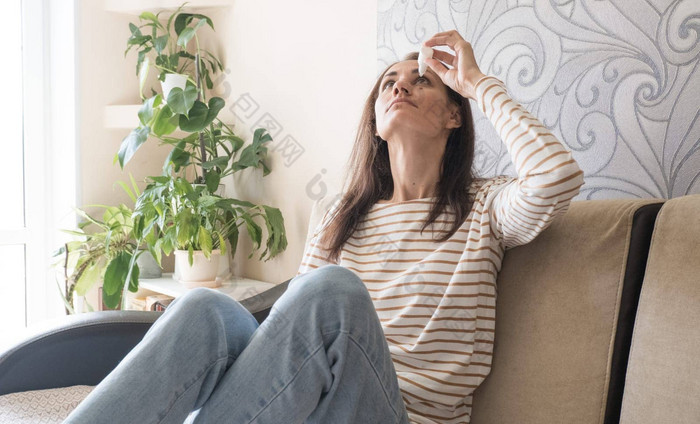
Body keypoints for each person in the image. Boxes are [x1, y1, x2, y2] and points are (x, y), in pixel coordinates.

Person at [65, 30, 583, 424]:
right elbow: (287, 342)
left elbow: (557, 176)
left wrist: (475, 83)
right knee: (205, 309)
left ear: (453, 115)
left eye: (421, 80)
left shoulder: (485, 207)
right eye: (389, 83)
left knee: (332, 291)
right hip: (319, 408)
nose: (400, 84)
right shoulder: (342, 215)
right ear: (376, 122)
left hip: (399, 414)